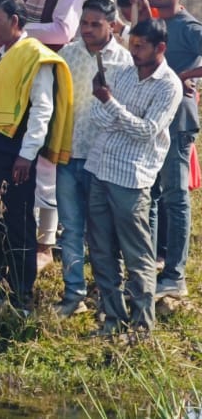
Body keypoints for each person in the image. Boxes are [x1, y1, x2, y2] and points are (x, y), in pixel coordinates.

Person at [0, 0, 74, 312]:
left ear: (15, 22)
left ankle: (21, 294)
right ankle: (2, 287)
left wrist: (26, 156)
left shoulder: (35, 57)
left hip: (17, 155)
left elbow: (42, 110)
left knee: (19, 223)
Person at [86, 19, 182, 333]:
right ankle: (112, 319)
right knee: (101, 250)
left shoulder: (169, 85)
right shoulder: (127, 71)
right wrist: (115, 110)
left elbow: (146, 131)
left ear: (161, 48)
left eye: (141, 46)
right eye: (133, 44)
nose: (134, 50)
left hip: (132, 177)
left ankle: (142, 326)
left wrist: (112, 104)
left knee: (137, 254)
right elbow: (97, 116)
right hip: (101, 167)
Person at [2, 0, 89, 266]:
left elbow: (63, 30)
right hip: (16, 70)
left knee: (45, 155)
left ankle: (44, 245)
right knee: (18, 149)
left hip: (50, 70)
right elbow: (1, 14)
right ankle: (14, 232)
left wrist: (17, 31)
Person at [53, 0, 132, 316]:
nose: (87, 29)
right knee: (70, 228)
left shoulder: (125, 61)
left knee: (103, 231)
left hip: (104, 159)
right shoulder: (68, 55)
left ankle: (107, 293)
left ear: (111, 25)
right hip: (69, 154)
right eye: (84, 23)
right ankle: (74, 294)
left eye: (95, 24)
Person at [135, 0, 202, 300]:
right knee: (152, 194)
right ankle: (152, 265)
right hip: (151, 119)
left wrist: (185, 74)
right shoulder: (157, 22)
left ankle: (175, 275)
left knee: (175, 198)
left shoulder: (189, 26)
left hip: (176, 122)